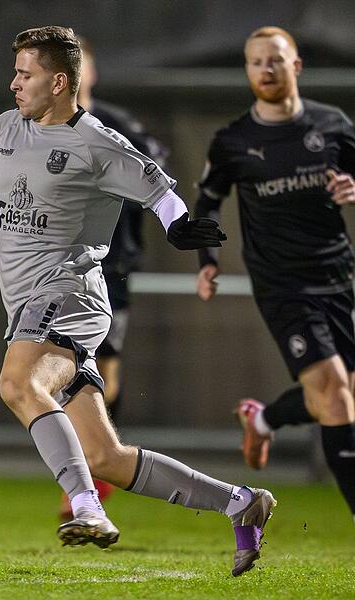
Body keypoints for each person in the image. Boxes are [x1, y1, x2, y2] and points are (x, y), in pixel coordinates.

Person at [0, 25, 275, 576]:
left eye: (25, 74)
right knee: (105, 456)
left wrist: (179, 225)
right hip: (28, 305)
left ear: (58, 82)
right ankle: (240, 502)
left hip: (70, 295)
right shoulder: (6, 127)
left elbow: (158, 189)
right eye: (15, 72)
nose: (13, 83)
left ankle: (87, 507)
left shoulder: (97, 142)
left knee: (16, 383)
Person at [195, 26, 355, 521]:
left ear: (296, 66)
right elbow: (207, 201)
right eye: (256, 61)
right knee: (335, 394)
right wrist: (207, 259)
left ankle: (263, 419)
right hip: (282, 283)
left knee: (340, 393)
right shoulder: (233, 141)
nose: (265, 69)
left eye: (275, 60)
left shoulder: (332, 125)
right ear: (247, 70)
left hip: (338, 274)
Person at [56, 37, 171, 515]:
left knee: (105, 370)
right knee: (61, 368)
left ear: (91, 73)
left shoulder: (118, 126)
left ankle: (96, 469)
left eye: (79, 65)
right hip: (58, 265)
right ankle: (85, 474)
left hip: (112, 263)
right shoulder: (36, 127)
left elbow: (156, 179)